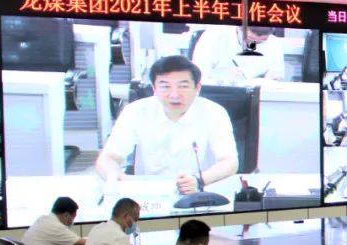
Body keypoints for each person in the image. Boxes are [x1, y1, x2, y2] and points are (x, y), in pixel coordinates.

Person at [95, 55, 239, 195]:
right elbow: (107, 159)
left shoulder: (214, 112)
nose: (174, 95)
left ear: (197, 88)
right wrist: (116, 177)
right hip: (150, 195)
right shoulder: (135, 112)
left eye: (183, 86)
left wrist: (199, 179)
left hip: (200, 192)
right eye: (165, 86)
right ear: (154, 89)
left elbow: (230, 162)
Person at [191, 25, 286, 83]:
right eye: (250, 39)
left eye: (261, 41)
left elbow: (276, 75)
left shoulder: (274, 43)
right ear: (239, 29)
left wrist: (273, 79)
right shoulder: (214, 36)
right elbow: (199, 72)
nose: (254, 44)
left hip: (254, 95)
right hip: (217, 90)